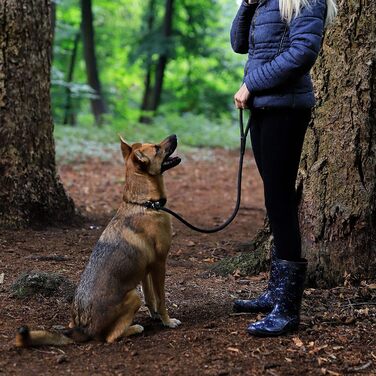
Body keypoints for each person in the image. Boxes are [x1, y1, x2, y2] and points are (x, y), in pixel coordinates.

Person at [230, 0, 337, 336]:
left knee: (280, 203)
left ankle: (288, 309)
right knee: (275, 202)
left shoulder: (307, 0)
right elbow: (238, 43)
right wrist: (246, 5)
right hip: (265, 108)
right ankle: (276, 293)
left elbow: (303, 52)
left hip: (286, 109)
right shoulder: (266, 3)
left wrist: (252, 83)